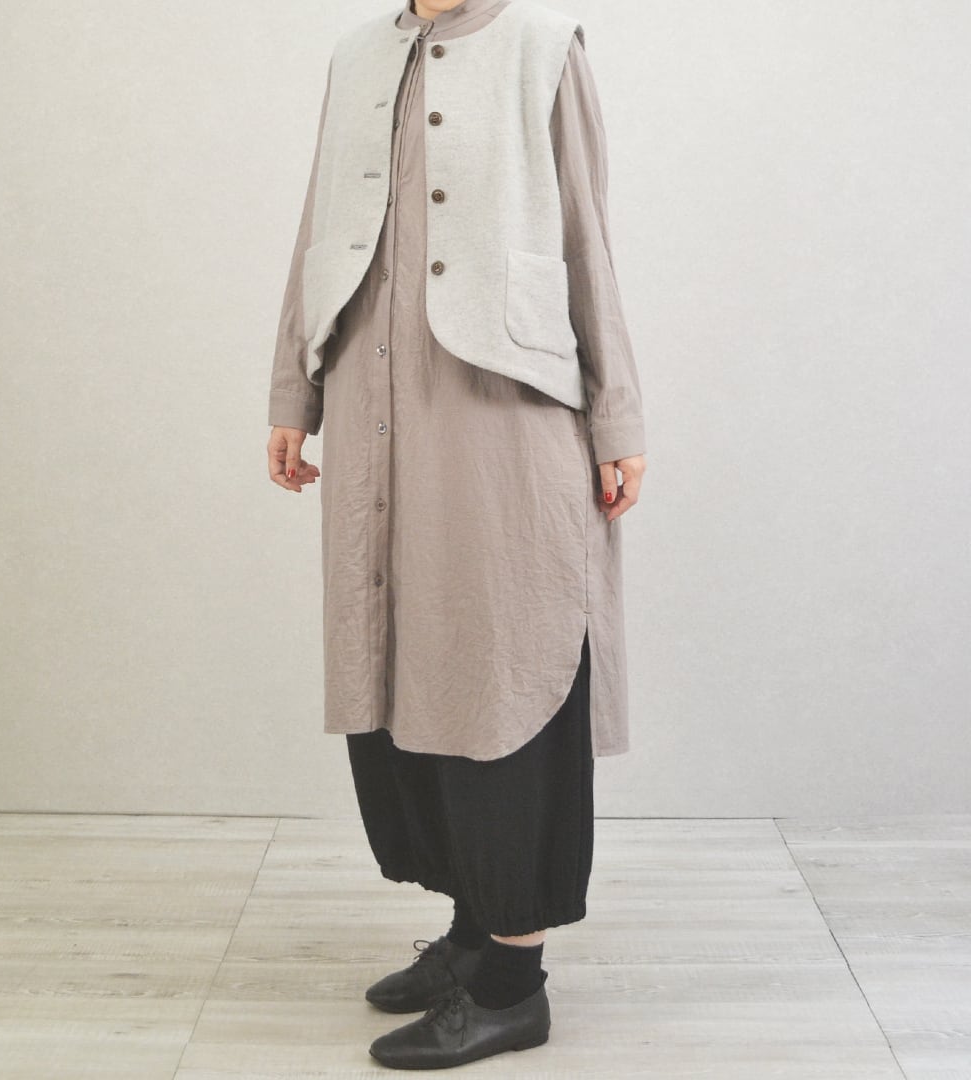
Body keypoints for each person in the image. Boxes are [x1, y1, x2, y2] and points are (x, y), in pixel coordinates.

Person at [266, 0, 646, 1069]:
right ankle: (474, 937)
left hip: (500, 413)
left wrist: (617, 417)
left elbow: (587, 235)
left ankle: (514, 987)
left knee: (503, 663)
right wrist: (294, 391)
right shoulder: (356, 54)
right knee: (406, 667)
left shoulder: (541, 47)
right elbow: (316, 228)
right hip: (373, 406)